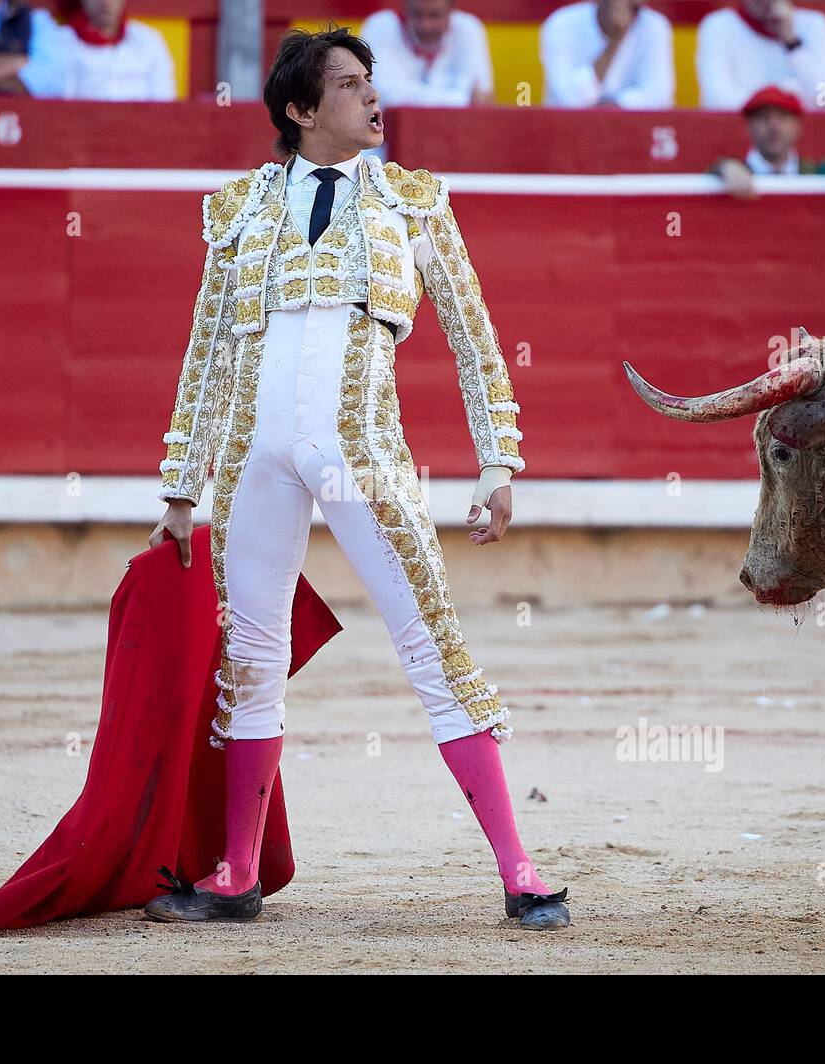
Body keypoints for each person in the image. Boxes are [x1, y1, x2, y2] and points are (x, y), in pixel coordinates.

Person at [143, 24, 569, 930]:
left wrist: (497, 460)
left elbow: (474, 338)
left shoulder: (414, 203)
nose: (372, 98)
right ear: (300, 110)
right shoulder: (238, 210)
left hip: (364, 458)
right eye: (347, 85)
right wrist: (182, 490)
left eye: (371, 82)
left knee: (434, 648)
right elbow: (207, 355)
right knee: (250, 662)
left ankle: (518, 865)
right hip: (258, 459)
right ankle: (235, 873)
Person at [696, 0, 825, 111]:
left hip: (800, 139)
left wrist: (791, 42)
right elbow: (715, 101)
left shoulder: (813, 24)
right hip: (737, 137)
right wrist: (788, 93)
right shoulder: (718, 25)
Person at [540, 0, 674, 110]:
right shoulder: (562, 24)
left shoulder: (654, 25)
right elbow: (569, 100)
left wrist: (610, 107)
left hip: (630, 130)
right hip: (568, 132)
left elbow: (658, 96)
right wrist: (614, 42)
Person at [358, 0, 492, 107]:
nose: (425, 25)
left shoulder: (468, 28)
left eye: (435, 15)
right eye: (416, 14)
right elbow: (381, 95)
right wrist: (462, 98)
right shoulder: (380, 26)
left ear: (451, 9)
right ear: (405, 6)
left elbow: (484, 101)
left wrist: (407, 94)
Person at [57, 0, 176, 102]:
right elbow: (62, 106)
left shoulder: (149, 40)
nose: (105, 3)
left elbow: (163, 103)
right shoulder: (61, 42)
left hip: (140, 126)